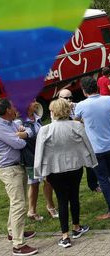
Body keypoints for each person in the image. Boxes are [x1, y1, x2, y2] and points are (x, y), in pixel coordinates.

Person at [34, 99, 96, 249]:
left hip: (55, 171)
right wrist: (92, 162)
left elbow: (39, 153)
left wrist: (39, 172)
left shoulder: (45, 130)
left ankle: (65, 236)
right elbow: (88, 145)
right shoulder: (77, 126)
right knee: (74, 196)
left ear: (53, 112)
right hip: (75, 168)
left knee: (62, 200)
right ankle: (76, 227)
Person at [74, 77, 110, 220]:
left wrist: (86, 124)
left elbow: (75, 125)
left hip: (96, 149)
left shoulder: (81, 106)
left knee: (103, 179)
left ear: (84, 91)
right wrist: (109, 123)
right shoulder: (109, 100)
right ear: (96, 87)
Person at [0, 99, 38, 256]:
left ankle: (12, 232)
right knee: (19, 205)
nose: (16, 108)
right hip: (10, 169)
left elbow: (29, 131)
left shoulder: (10, 123)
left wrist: (22, 133)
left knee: (16, 202)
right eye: (13, 106)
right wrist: (21, 135)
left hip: (17, 166)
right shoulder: (1, 126)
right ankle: (18, 245)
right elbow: (19, 144)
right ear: (8, 110)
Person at [20, 102, 58, 222]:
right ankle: (32, 211)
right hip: (31, 157)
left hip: (42, 154)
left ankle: (50, 206)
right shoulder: (19, 122)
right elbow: (18, 136)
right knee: (34, 183)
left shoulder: (37, 117)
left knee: (48, 179)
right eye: (32, 100)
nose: (35, 102)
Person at [58, 90, 100, 193]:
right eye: (66, 98)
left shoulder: (78, 106)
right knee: (74, 166)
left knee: (90, 161)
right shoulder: (55, 110)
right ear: (59, 98)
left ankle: (93, 184)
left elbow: (87, 121)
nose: (69, 100)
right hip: (69, 141)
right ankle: (72, 188)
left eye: (70, 98)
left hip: (82, 138)